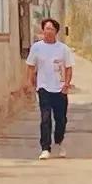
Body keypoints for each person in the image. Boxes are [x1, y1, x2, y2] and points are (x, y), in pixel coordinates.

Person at [29, 16, 73, 156]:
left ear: (56, 31)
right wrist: (31, 82)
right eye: (46, 29)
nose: (48, 31)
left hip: (60, 89)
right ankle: (45, 148)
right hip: (43, 87)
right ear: (43, 30)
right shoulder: (37, 48)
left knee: (61, 119)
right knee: (45, 118)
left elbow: (68, 68)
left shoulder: (63, 49)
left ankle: (59, 141)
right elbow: (30, 66)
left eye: (51, 29)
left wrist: (66, 84)